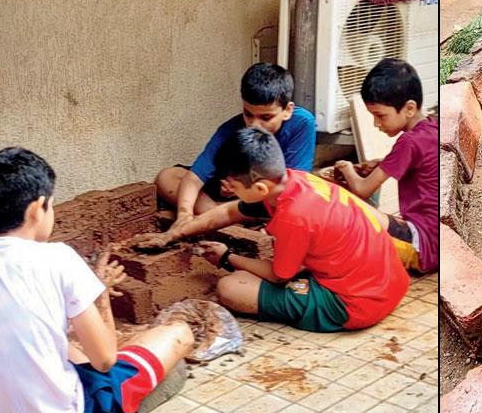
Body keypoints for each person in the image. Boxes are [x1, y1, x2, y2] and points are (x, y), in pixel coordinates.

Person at [0, 148, 194, 413]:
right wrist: (102, 295)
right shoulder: (59, 258)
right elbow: (105, 360)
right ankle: (132, 394)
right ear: (37, 209)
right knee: (178, 334)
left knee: (52, 342)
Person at [140, 129, 409, 332]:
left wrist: (226, 258)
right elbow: (227, 212)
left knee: (231, 287)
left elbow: (279, 276)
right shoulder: (292, 182)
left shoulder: (294, 215)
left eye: (233, 187)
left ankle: (322, 306)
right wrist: (175, 233)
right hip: (391, 282)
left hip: (356, 303)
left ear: (258, 189)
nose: (229, 193)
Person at [153, 63, 315, 233]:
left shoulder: (302, 123)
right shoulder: (230, 129)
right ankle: (227, 219)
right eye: (248, 114)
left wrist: (248, 189)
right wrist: (184, 215)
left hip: (266, 194)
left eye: (266, 117)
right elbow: (195, 178)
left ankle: (225, 218)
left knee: (295, 198)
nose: (255, 124)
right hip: (235, 193)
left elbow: (292, 183)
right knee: (168, 177)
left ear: (287, 110)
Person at [335, 59, 437, 274]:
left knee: (349, 214)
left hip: (423, 245)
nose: (376, 124)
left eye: (380, 116)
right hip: (435, 240)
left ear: (409, 108)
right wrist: (383, 163)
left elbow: (362, 189)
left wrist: (346, 168)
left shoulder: (408, 142)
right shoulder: (432, 127)